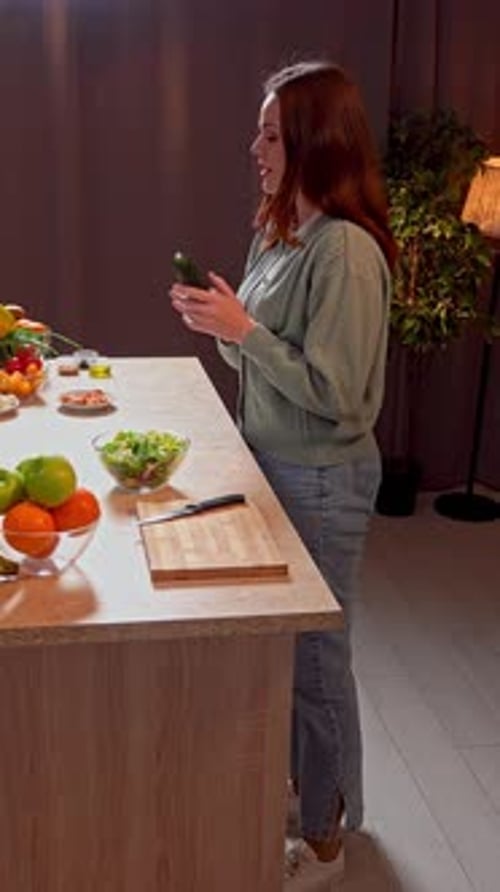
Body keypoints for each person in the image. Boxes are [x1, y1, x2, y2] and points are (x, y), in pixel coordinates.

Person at [170, 60, 396, 884]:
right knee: (292, 654)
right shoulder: (280, 230)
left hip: (323, 481)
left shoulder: (346, 253)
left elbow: (337, 398)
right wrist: (224, 322)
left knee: (314, 663)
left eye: (270, 133)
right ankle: (319, 799)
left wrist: (246, 333)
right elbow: (267, 359)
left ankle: (329, 842)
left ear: (312, 141)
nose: (254, 147)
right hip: (274, 463)